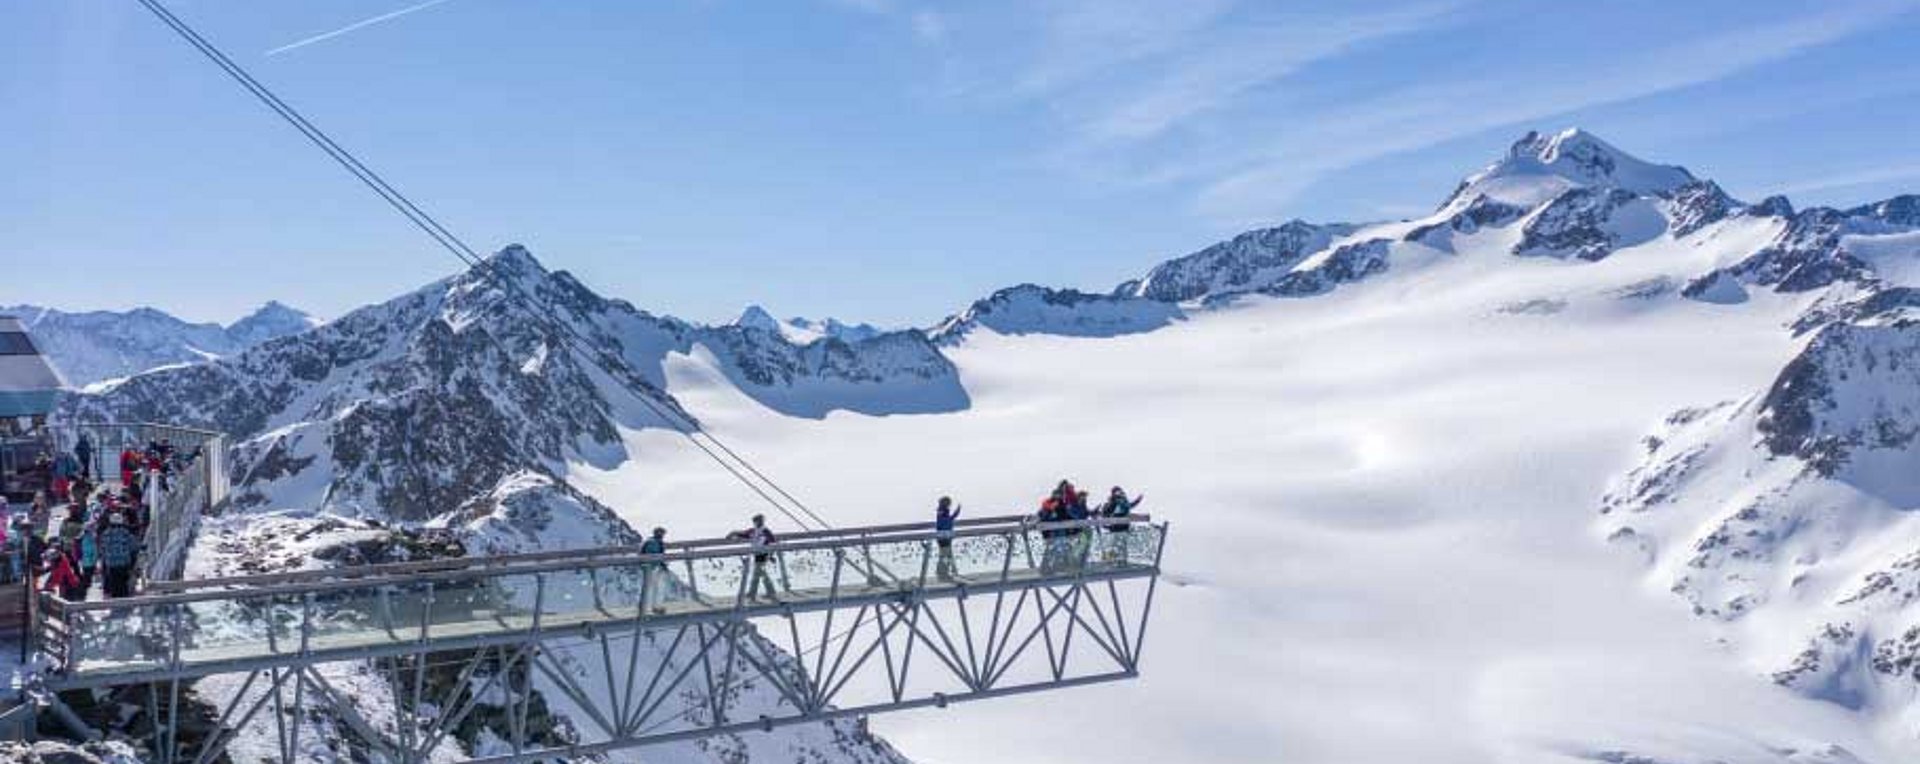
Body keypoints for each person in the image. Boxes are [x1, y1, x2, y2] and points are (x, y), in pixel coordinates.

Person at [728, 514, 779, 603]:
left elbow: (773, 542)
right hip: (756, 554)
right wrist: (733, 533)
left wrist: (771, 555)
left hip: (764, 554)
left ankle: (754, 593)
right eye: (755, 521)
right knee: (761, 573)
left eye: (758, 521)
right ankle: (769, 592)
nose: (756, 523)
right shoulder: (753, 531)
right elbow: (744, 534)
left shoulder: (765, 531)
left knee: (758, 573)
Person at [98, 513, 140, 599]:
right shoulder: (126, 533)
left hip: (111, 563)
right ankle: (124, 603)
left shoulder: (106, 534)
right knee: (123, 583)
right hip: (124, 562)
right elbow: (134, 546)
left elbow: (102, 548)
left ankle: (115, 602)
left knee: (114, 583)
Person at [1098, 487, 1145, 562]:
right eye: (1117, 493)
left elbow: (1129, 506)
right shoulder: (1112, 503)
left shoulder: (1123, 502)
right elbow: (1106, 512)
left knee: (1122, 545)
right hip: (1115, 528)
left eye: (1120, 492)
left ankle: (1121, 560)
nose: (1119, 495)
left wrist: (1137, 500)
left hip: (1123, 527)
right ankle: (1109, 559)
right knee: (1114, 544)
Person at [639, 527, 670, 614]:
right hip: (653, 568)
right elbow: (656, 556)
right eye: (662, 534)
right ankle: (655, 607)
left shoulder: (650, 541)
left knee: (650, 588)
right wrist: (662, 566)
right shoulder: (654, 543)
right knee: (657, 588)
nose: (663, 536)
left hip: (649, 567)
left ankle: (647, 607)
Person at [933, 497, 962, 581]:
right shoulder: (942, 511)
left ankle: (948, 572)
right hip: (944, 537)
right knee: (945, 555)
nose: (950, 505)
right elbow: (946, 522)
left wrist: (956, 513)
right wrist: (955, 514)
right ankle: (943, 573)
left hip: (945, 537)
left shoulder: (942, 511)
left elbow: (949, 520)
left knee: (946, 555)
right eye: (949, 503)